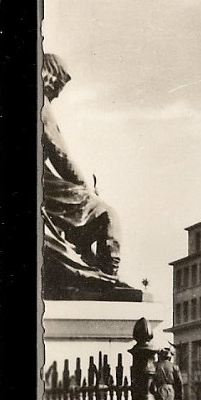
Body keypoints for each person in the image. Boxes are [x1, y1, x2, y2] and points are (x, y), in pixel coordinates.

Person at [41, 53, 130, 297]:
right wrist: (84, 187)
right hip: (45, 186)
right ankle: (109, 278)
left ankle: (94, 270)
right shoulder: (40, 103)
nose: (58, 94)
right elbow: (59, 153)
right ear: (47, 76)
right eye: (58, 85)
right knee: (106, 215)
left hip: (46, 185)